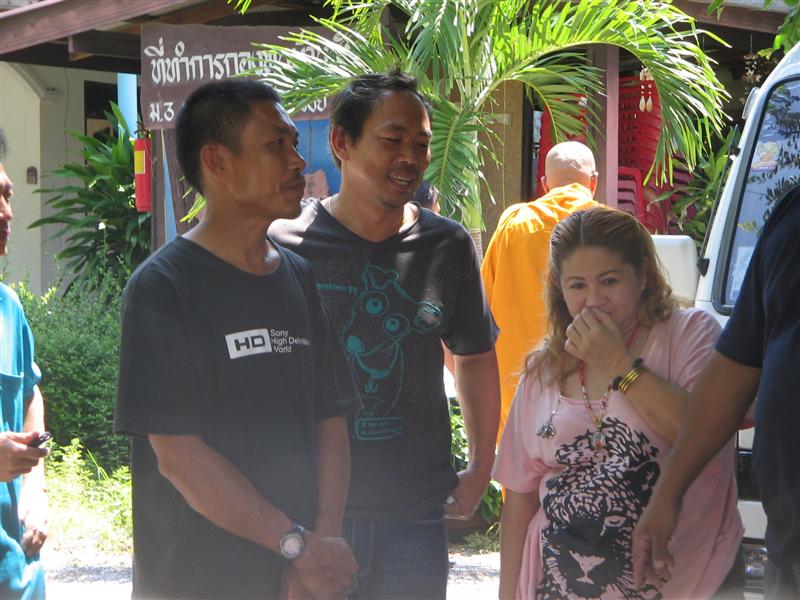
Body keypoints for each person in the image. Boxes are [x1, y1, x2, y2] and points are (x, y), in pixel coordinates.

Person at [114, 80, 359, 599]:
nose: (297, 161)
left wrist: (321, 546)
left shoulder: (298, 275)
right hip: (193, 583)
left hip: (298, 580)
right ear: (217, 162)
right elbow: (179, 457)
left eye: (294, 143)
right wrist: (297, 546)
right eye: (276, 145)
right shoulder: (162, 287)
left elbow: (331, 419)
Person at [270, 70, 500, 599]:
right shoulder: (284, 244)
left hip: (414, 515)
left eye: (420, 144)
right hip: (310, 515)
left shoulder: (447, 245)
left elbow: (474, 356)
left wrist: (480, 467)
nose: (409, 158)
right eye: (392, 140)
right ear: (341, 142)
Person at [494, 207, 743, 599]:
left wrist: (618, 364)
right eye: (577, 285)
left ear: (642, 274)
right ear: (559, 287)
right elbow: (520, 500)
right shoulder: (544, 371)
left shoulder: (690, 335)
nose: (594, 301)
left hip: (691, 583)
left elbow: (703, 433)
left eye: (609, 281)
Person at [633, 183, 800, 599]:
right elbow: (734, 367)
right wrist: (668, 492)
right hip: (790, 550)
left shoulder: (690, 333)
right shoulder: (792, 213)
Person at [481, 141, 599, 444]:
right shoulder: (610, 226)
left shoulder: (512, 225)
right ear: (593, 182)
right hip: (594, 395)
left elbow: (481, 306)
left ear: (545, 184)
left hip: (519, 392)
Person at [0, 126, 49, 600]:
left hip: (20, 572)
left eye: (7, 195)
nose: (7, 213)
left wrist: (35, 490)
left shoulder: (9, 308)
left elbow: (30, 394)